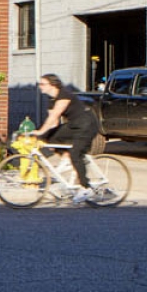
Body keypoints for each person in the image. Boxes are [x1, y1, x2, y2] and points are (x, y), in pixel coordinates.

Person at [33, 73, 101, 202]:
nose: (40, 86)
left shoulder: (64, 95)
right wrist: (42, 133)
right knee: (51, 136)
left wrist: (40, 130)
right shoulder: (51, 100)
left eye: (42, 84)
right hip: (73, 125)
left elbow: (55, 115)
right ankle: (66, 158)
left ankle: (86, 188)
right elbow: (54, 122)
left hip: (87, 124)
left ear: (53, 84)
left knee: (76, 153)